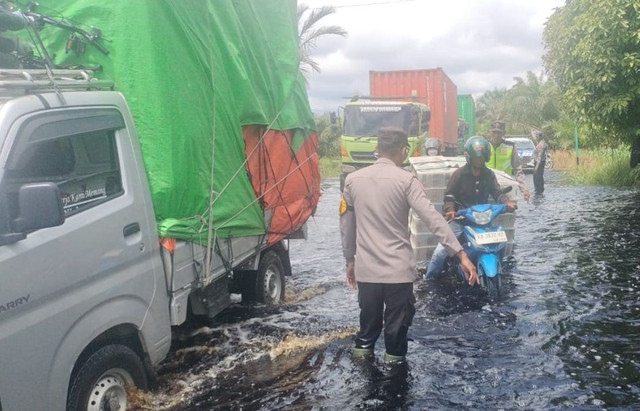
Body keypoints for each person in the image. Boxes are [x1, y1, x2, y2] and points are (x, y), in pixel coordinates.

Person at [339, 126, 478, 364]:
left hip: (367, 272)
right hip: (398, 274)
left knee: (366, 332)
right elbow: (434, 220)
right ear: (403, 151)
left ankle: (361, 379)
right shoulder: (407, 181)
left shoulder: (352, 181)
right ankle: (394, 388)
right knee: (395, 337)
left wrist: (350, 261)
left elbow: (346, 226)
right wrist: (461, 255)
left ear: (376, 149)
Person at [424, 136, 517, 279]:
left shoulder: (489, 174)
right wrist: (450, 211)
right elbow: (449, 196)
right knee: (440, 253)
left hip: (483, 220)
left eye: (481, 158)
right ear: (470, 157)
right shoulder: (459, 174)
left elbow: (497, 193)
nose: (478, 160)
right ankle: (428, 280)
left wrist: (507, 202)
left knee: (500, 246)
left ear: (485, 157)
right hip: (461, 219)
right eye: (475, 158)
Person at [486, 120, 530, 202]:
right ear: (489, 132)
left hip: (506, 186)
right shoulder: (484, 146)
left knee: (509, 211)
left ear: (504, 133)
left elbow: (517, 169)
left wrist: (524, 189)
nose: (496, 135)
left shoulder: (510, 147)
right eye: (494, 132)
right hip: (486, 187)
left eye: (499, 133)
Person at [532, 129, 548, 195]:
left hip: (539, 162)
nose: (535, 137)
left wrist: (536, 167)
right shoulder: (541, 142)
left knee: (537, 177)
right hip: (540, 161)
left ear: (540, 137)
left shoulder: (541, 145)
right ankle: (539, 189)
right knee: (538, 176)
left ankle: (539, 190)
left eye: (537, 136)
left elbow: (540, 156)